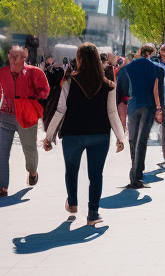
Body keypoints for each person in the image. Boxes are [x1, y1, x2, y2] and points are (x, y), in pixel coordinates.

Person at [43, 43, 127, 226]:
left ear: (79, 59)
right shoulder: (109, 85)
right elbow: (112, 113)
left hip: (73, 135)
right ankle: (93, 213)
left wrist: (49, 136)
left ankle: (72, 203)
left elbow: (60, 111)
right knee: (96, 175)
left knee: (71, 171)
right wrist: (120, 138)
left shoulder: (69, 82)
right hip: (100, 135)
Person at [0, 44, 50, 198]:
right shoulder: (1, 74)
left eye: (17, 56)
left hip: (26, 115)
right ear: (8, 56)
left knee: (29, 149)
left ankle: (32, 172)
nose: (14, 59)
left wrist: (33, 98)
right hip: (6, 116)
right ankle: (2, 188)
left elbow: (45, 91)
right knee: (2, 153)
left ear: (24, 58)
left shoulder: (35, 72)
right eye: (11, 55)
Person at [116, 43, 164, 189]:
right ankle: (137, 174)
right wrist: (159, 109)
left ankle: (134, 170)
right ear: (153, 53)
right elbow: (158, 91)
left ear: (139, 52)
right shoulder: (158, 69)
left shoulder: (127, 68)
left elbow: (122, 90)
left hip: (133, 105)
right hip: (148, 106)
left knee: (133, 139)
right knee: (142, 140)